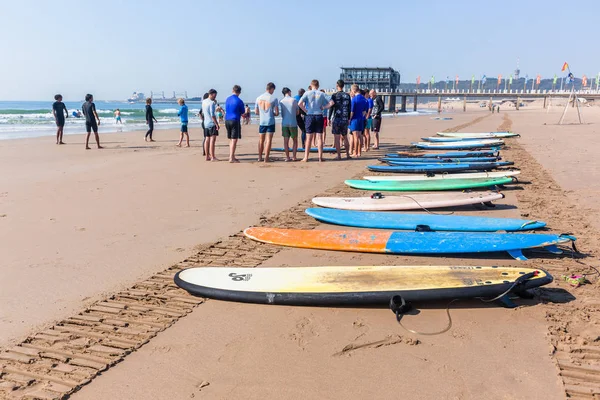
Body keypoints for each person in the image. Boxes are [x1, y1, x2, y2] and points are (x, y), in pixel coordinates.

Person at [298, 79, 329, 162]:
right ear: (318, 86)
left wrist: (305, 111)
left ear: (311, 85)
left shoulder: (307, 93)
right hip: (319, 115)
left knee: (309, 138)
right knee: (319, 137)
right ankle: (320, 157)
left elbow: (299, 103)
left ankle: (306, 157)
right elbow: (332, 102)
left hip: (310, 115)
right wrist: (324, 107)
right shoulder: (322, 94)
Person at [255, 82, 279, 162]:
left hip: (262, 121)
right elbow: (277, 112)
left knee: (261, 140)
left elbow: (256, 112)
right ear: (272, 89)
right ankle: (266, 158)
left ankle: (259, 157)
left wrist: (262, 113)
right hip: (270, 120)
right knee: (269, 140)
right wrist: (273, 113)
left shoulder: (258, 98)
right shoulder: (273, 98)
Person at [328, 80, 351, 160]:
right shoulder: (347, 96)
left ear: (337, 85)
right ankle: (348, 154)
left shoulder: (334, 95)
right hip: (344, 118)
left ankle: (339, 155)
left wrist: (329, 118)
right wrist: (348, 118)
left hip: (337, 118)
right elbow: (349, 108)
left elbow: (331, 107)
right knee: (345, 137)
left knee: (337, 138)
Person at [225, 85, 245, 163]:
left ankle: (232, 156)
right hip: (234, 120)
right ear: (239, 92)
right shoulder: (239, 101)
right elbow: (242, 112)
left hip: (227, 120)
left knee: (231, 139)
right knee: (234, 140)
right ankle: (231, 157)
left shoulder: (227, 99)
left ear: (233, 90)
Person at [280, 87, 299, 161]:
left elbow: (282, 113)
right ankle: (294, 156)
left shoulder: (281, 101)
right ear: (289, 92)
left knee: (286, 141)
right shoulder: (293, 100)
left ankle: (287, 157)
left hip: (285, 122)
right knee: (294, 140)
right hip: (293, 122)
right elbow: (297, 112)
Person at [349, 85, 367, 157]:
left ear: (353, 90)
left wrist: (349, 119)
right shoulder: (364, 99)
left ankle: (355, 152)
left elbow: (352, 112)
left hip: (355, 119)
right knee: (360, 136)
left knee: (355, 136)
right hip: (361, 118)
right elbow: (365, 111)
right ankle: (359, 152)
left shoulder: (354, 99)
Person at [202, 89, 220, 160]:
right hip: (211, 123)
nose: (215, 97)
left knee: (207, 139)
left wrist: (214, 102)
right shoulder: (211, 103)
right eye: (215, 95)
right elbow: (212, 115)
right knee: (212, 140)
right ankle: (213, 156)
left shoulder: (204, 101)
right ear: (211, 94)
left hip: (206, 122)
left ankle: (207, 156)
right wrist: (216, 124)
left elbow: (205, 111)